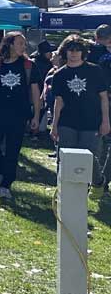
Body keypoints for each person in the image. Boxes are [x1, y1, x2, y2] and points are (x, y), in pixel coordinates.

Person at [0, 31, 42, 201]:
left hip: (19, 114)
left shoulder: (28, 65)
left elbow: (35, 91)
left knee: (13, 149)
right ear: (9, 44)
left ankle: (6, 185)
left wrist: (36, 116)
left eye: (24, 44)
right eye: (20, 43)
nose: (23, 47)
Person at [51, 34, 110, 188]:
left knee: (90, 159)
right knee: (65, 158)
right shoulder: (59, 74)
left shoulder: (95, 70)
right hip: (67, 122)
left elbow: (103, 98)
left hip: (91, 122)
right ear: (65, 52)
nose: (74, 53)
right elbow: (59, 102)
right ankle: (64, 191)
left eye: (78, 50)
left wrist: (106, 121)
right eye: (71, 50)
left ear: (83, 52)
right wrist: (54, 125)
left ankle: (97, 183)